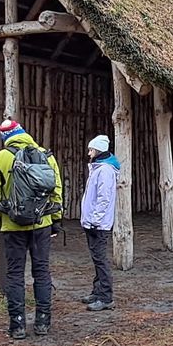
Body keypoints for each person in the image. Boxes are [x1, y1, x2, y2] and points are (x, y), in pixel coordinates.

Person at [0, 119, 63, 340]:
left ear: (5, 138)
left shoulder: (1, 157)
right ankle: (43, 322)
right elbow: (56, 191)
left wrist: (3, 212)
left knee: (15, 274)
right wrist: (55, 219)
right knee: (42, 272)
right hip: (42, 224)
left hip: (13, 226)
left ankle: (17, 325)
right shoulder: (46, 156)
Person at [79, 134, 119, 312]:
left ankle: (106, 297)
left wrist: (95, 220)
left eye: (91, 150)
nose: (89, 153)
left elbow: (104, 198)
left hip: (98, 224)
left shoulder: (105, 170)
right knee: (97, 259)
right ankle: (97, 291)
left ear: (99, 150)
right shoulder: (98, 168)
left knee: (101, 259)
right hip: (93, 222)